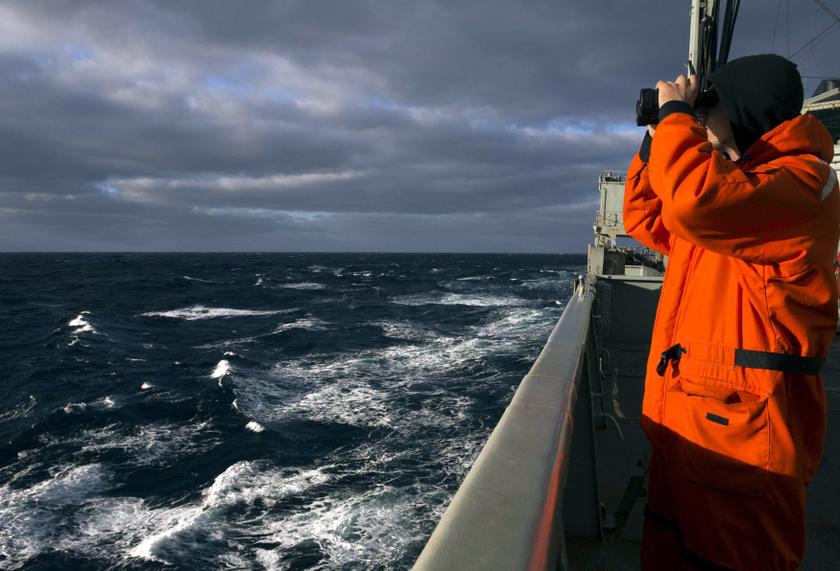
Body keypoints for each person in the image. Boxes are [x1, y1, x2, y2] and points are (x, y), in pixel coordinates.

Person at [623, 53, 840, 569]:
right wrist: (658, 133)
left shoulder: (801, 186)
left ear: (743, 110)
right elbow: (644, 216)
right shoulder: (740, 188)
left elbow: (692, 202)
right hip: (692, 428)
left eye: (709, 109)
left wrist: (678, 117)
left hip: (746, 443)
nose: (702, 123)